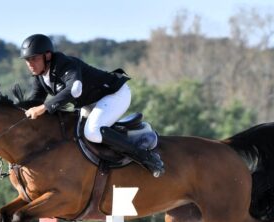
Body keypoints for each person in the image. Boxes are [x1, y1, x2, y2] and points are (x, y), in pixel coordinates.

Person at [17, 34, 164, 177]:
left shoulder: (65, 64)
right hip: (91, 102)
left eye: (34, 58)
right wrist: (13, 111)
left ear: (47, 56)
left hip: (115, 94)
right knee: (73, 132)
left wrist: (44, 107)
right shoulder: (40, 76)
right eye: (27, 60)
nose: (30, 64)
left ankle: (147, 158)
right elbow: (35, 101)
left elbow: (74, 90)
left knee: (92, 131)